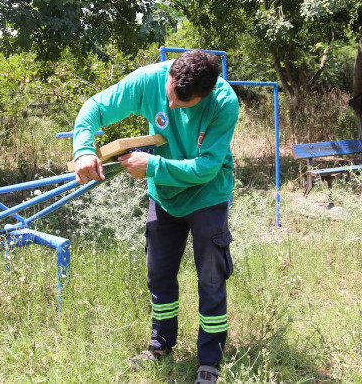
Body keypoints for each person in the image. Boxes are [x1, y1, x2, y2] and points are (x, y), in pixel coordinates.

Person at [72, 49, 239, 384]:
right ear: (169, 75)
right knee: (159, 274)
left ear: (205, 93)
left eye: (183, 103)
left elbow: (206, 168)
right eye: (170, 97)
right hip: (164, 196)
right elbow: (95, 107)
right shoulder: (150, 79)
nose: (172, 107)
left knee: (210, 278)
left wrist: (152, 166)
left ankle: (210, 359)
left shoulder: (223, 102)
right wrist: (84, 149)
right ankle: (161, 345)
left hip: (207, 195)